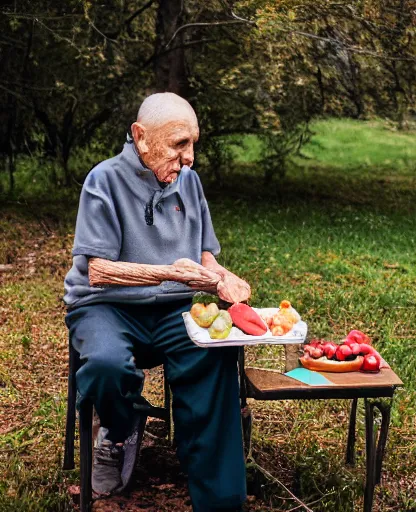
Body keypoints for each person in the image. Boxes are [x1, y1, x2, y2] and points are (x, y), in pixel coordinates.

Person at [64, 93, 250, 512]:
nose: (190, 158)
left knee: (215, 354)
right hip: (104, 306)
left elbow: (205, 255)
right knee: (108, 365)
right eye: (179, 144)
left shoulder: (189, 181)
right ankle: (118, 426)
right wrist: (170, 271)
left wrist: (222, 277)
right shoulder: (103, 180)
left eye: (193, 144)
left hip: (172, 307)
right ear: (140, 137)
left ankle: (220, 496)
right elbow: (99, 271)